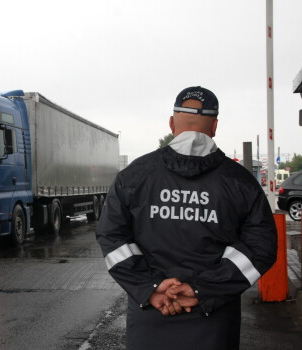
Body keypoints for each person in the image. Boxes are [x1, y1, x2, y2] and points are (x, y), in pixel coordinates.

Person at [96, 86, 277, 350]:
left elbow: (111, 238)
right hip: (214, 320)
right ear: (214, 126)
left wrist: (152, 288)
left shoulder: (134, 176)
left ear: (171, 123)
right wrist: (200, 290)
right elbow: (261, 248)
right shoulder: (241, 182)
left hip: (150, 314)